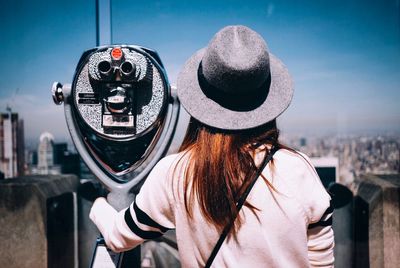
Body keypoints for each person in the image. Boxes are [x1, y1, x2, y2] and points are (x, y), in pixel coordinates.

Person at [90, 25, 334, 267]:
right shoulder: (298, 170)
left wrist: (99, 203)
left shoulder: (176, 174)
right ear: (266, 98)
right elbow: (321, 262)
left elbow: (118, 237)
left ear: (197, 97)